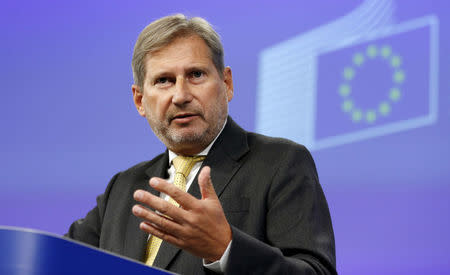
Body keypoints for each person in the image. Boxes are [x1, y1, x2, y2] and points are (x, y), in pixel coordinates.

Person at [66, 14, 337, 274]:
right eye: (164, 80)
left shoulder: (280, 163)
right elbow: (56, 258)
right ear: (140, 101)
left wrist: (227, 248)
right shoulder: (123, 187)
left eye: (196, 75)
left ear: (226, 83)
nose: (181, 95)